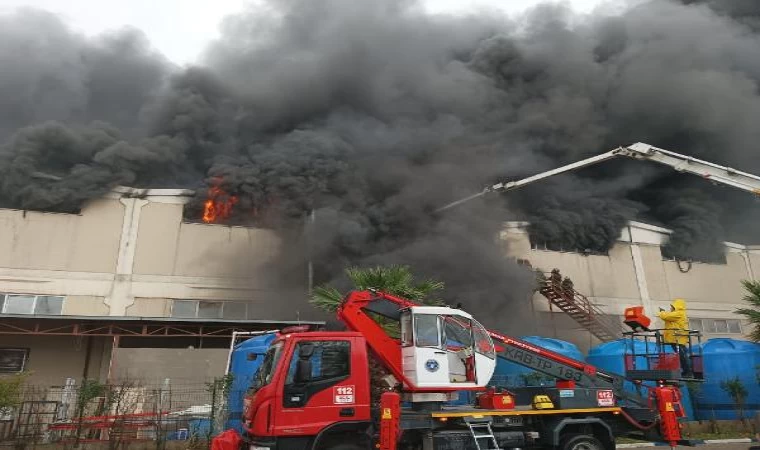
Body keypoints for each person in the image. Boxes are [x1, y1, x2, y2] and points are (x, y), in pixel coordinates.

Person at [657, 298, 692, 377]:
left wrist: (662, 312)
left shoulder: (679, 313)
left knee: (682, 356)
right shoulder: (676, 314)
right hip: (675, 338)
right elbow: (668, 318)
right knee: (681, 356)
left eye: (672, 307)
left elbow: (665, 316)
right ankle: (686, 371)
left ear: (677, 306)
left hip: (678, 338)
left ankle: (688, 372)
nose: (671, 308)